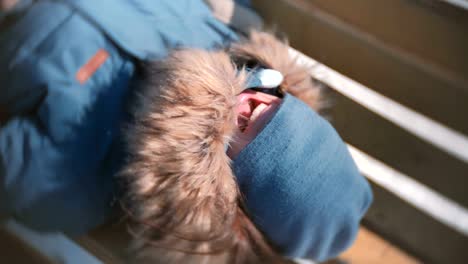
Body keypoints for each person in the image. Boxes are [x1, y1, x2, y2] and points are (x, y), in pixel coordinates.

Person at [0, 0, 372, 262]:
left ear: (226, 196)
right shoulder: (227, 39)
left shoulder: (74, 185)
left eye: (252, 128)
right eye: (275, 99)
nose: (252, 99)